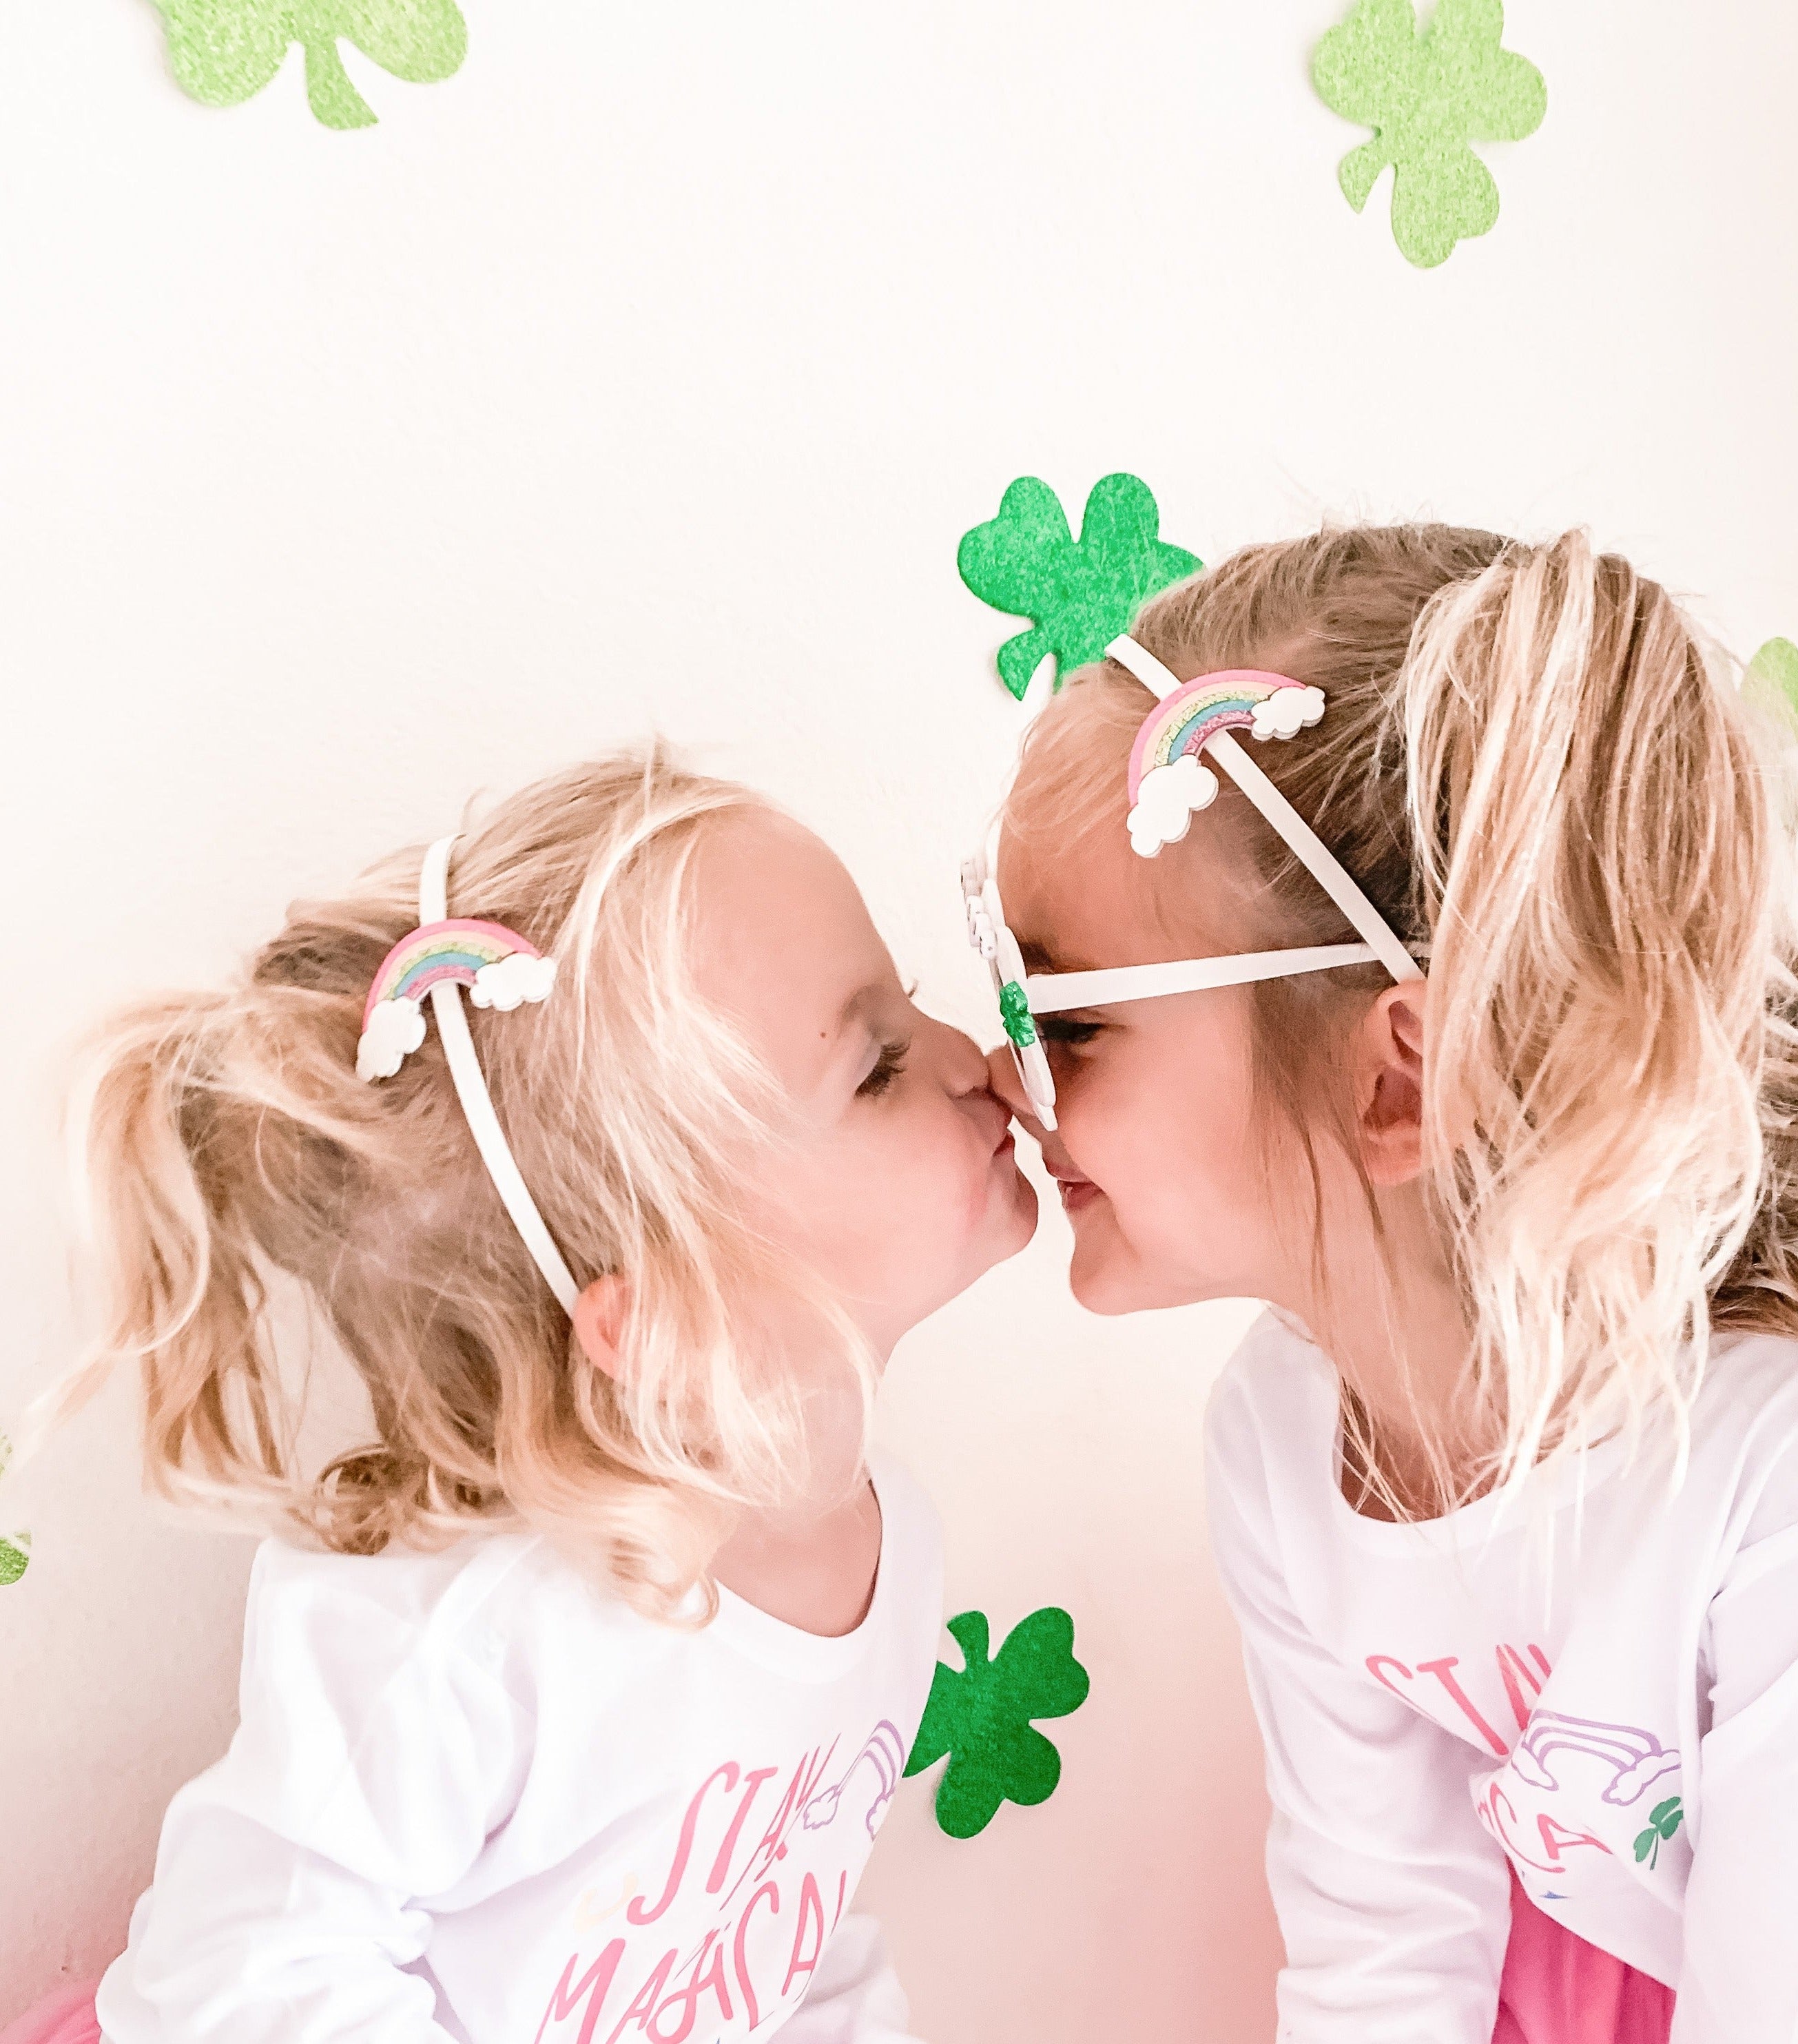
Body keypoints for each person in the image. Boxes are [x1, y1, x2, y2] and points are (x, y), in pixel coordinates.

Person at [980, 524, 1798, 2043]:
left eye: (1067, 1020)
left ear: (1399, 1079)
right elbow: (1379, 1942)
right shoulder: (1279, 1431)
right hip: (1618, 1926)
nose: (1000, 1073)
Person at [8, 743, 1035, 2044]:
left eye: (913, 1003)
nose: (971, 1056)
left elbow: (780, 1939)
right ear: (667, 1320)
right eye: (876, 1064)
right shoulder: (474, 1629)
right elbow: (245, 1972)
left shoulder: (891, 1545)